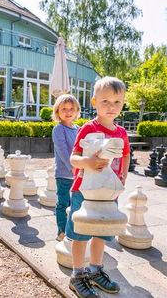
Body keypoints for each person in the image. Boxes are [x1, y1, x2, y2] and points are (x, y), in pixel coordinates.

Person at [66, 76, 130, 298]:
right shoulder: (87, 128)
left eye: (117, 102)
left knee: (100, 233)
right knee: (80, 233)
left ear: (123, 103)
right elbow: (73, 159)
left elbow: (126, 154)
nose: (111, 107)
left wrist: (123, 177)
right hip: (83, 190)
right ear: (94, 102)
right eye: (105, 102)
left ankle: (95, 270)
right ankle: (77, 275)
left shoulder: (121, 132)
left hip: (108, 192)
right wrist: (88, 163)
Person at [51, 94, 81, 242]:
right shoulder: (58, 129)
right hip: (64, 174)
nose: (68, 112)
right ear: (57, 111)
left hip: (78, 173)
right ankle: (61, 231)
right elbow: (62, 151)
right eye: (64, 109)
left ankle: (73, 230)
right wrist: (73, 167)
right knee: (63, 203)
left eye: (71, 109)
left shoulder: (79, 129)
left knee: (76, 204)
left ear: (76, 111)